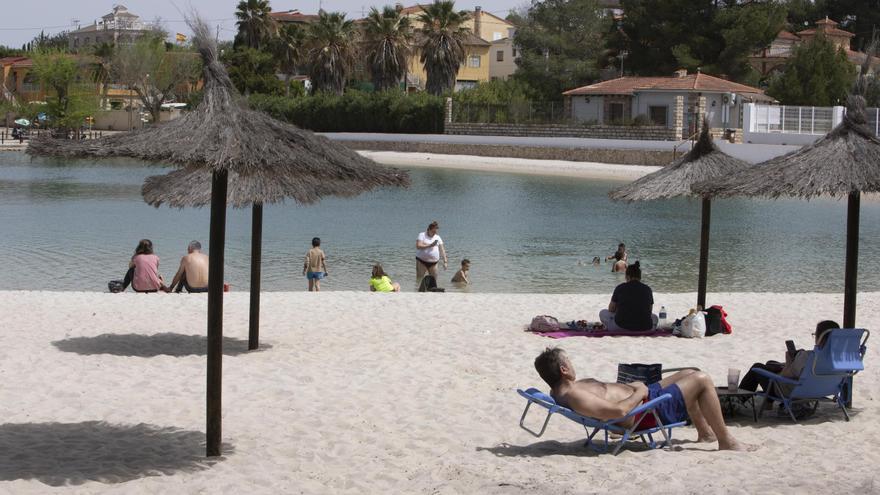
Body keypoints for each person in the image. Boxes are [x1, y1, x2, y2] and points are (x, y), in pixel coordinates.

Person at [534, 347, 754, 451]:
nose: (572, 364)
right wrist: (640, 392)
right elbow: (618, 413)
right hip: (645, 411)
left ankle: (706, 434)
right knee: (702, 379)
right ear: (564, 369)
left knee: (689, 371)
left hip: (643, 396)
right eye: (569, 361)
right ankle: (726, 441)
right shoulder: (575, 395)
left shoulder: (562, 390)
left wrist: (638, 388)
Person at [739, 320, 840, 400]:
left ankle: (739, 400)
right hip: (821, 390)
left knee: (757, 367)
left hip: (793, 391)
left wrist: (789, 362)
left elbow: (785, 375)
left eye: (815, 334)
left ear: (819, 337)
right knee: (771, 364)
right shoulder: (842, 358)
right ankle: (768, 403)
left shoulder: (807, 356)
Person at [599, 261, 657, 331]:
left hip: (620, 327)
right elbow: (649, 311)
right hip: (645, 327)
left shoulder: (620, 288)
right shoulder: (648, 289)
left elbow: (611, 309)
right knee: (655, 317)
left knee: (602, 313)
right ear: (640, 277)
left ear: (628, 276)